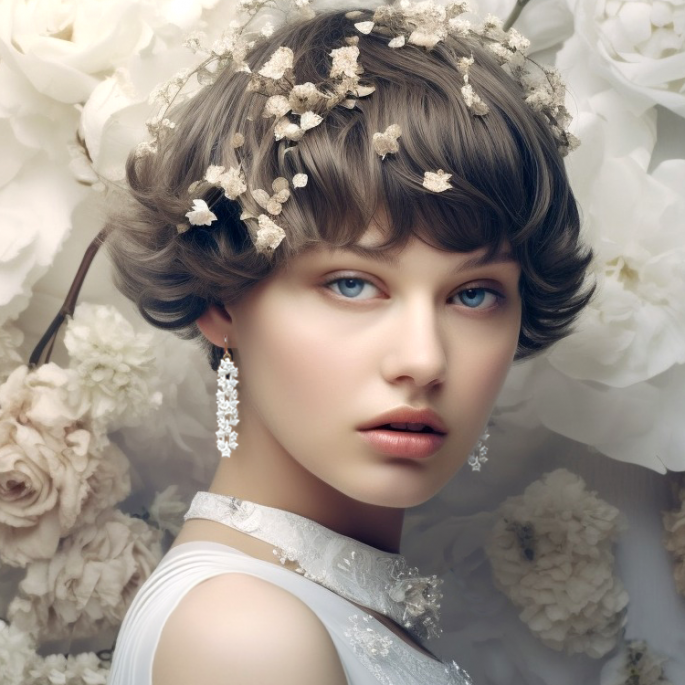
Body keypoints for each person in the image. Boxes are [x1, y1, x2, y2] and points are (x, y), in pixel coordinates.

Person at [104, 2, 594, 683]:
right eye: (353, 285)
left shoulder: (298, 605)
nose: (423, 359)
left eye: (472, 293)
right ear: (220, 297)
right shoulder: (242, 635)